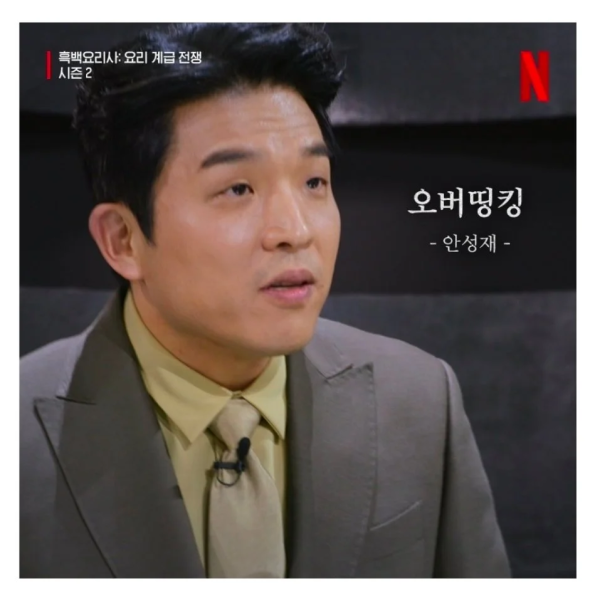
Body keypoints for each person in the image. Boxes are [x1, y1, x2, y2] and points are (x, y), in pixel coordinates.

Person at [20, 23, 510, 578]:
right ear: (123, 240)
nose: (294, 230)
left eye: (314, 182)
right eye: (238, 189)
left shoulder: (421, 402)